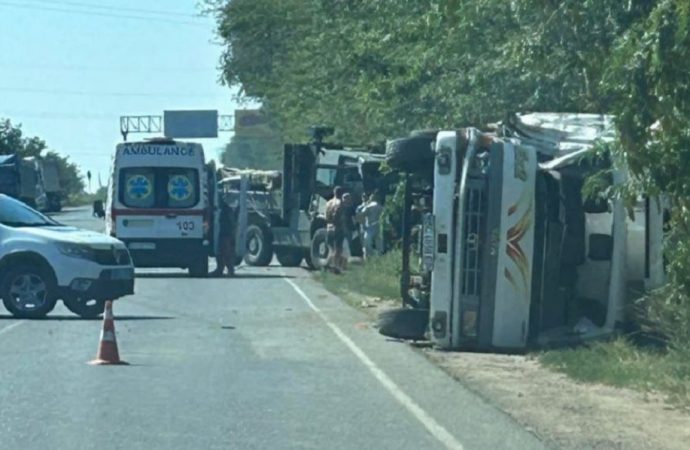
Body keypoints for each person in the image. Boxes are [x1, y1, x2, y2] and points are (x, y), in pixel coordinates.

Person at [211, 201, 237, 277]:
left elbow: (232, 222)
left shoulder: (226, 210)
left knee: (226, 252)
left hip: (226, 233)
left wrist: (232, 232)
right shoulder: (221, 210)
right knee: (220, 252)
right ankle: (220, 269)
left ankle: (230, 270)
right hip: (222, 233)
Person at [358, 193, 384, 259]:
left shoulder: (369, 206)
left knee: (367, 242)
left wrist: (363, 225)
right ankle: (380, 256)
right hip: (378, 225)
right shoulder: (381, 206)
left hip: (370, 226)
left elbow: (361, 215)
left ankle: (368, 256)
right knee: (379, 242)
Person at [325, 186, 344, 273]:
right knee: (338, 249)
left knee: (331, 247)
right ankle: (335, 267)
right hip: (337, 227)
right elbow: (337, 214)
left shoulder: (328, 203)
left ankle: (328, 264)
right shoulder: (340, 202)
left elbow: (326, 216)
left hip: (329, 227)